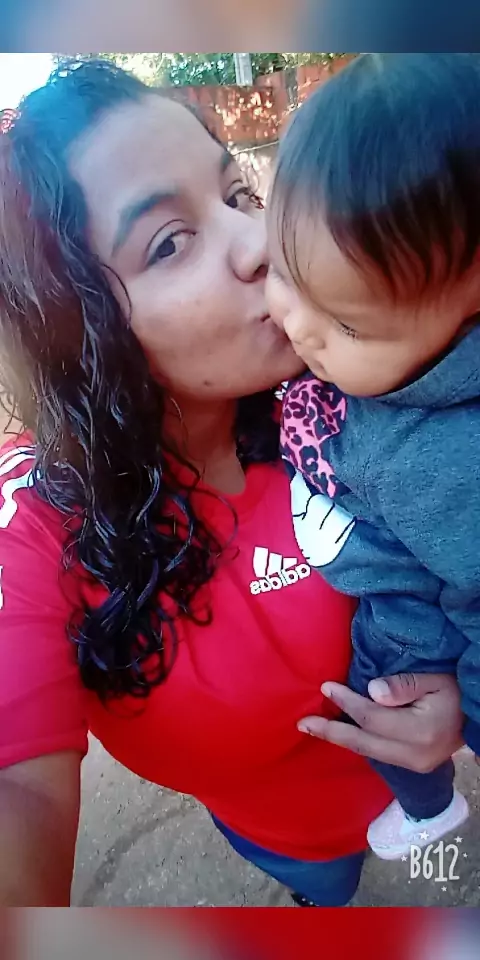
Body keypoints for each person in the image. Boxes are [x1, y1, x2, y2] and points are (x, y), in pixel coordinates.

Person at [0, 59, 463, 907]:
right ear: (78, 332)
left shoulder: (355, 384)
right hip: (276, 837)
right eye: (169, 242)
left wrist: (458, 689)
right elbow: (20, 791)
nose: (260, 244)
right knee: (325, 895)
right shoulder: (39, 525)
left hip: (412, 795)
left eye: (239, 196)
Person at [266, 52, 479, 861]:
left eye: (348, 324)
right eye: (286, 273)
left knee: (380, 707)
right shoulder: (375, 354)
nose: (299, 328)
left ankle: (429, 809)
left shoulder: (449, 461)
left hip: (409, 637)